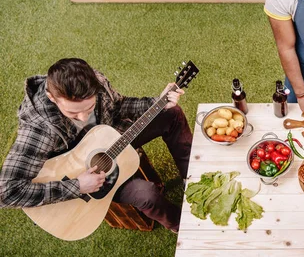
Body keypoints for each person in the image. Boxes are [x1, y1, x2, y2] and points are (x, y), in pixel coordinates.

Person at [0, 58, 192, 232]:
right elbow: (6, 192)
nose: (83, 117)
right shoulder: (40, 129)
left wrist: (157, 103)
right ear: (52, 97)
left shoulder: (96, 82)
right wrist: (77, 186)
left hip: (113, 139)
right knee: (147, 195)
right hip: (83, 181)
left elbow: (119, 106)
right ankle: (180, 225)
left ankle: (191, 178)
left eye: (89, 108)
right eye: (73, 113)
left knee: (171, 114)